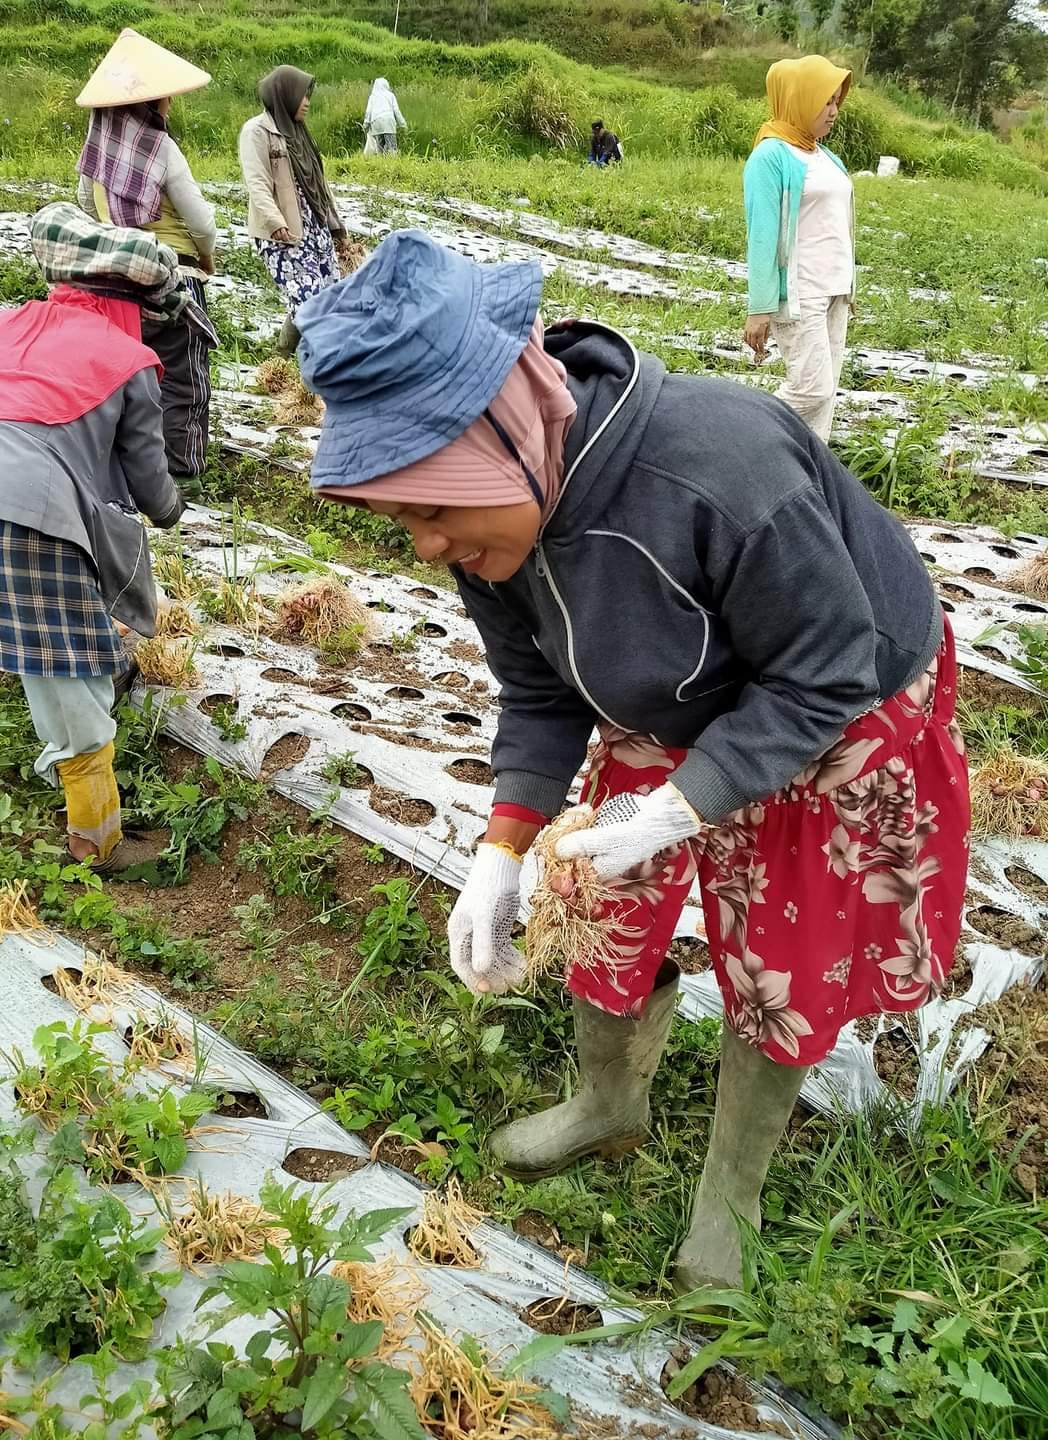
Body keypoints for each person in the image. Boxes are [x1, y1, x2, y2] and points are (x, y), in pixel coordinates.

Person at [297, 230, 969, 1291]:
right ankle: (611, 1103)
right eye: (399, 518)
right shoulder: (490, 528)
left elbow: (824, 670)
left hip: (837, 696)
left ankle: (729, 1196)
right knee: (600, 896)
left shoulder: (723, 471)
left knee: (779, 943)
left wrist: (684, 804)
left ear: (514, 437)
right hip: (668, 692)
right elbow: (539, 689)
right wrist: (504, 848)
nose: (424, 544)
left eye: (431, 508)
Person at [0, 204, 191, 874]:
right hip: (24, 516)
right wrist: (175, 509)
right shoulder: (129, 358)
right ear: (133, 303)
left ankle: (59, 774)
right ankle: (96, 842)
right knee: (69, 676)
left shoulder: (0, 325)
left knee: (51, 646)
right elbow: (151, 488)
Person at [76, 27, 218, 501]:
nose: (170, 106)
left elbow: (84, 203)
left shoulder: (96, 145)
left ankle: (125, 472)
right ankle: (180, 475)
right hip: (170, 276)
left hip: (116, 281)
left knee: (129, 377)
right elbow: (201, 221)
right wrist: (206, 256)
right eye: (165, 99)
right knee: (182, 371)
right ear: (149, 104)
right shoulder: (161, 149)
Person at [743, 56, 855, 443]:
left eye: (836, 102)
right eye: (826, 101)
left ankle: (809, 481)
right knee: (812, 389)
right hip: (800, 293)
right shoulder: (770, 157)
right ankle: (742, 439)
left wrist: (848, 285)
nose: (834, 111)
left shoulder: (824, 156)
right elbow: (761, 234)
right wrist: (759, 307)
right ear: (799, 99)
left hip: (835, 291)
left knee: (825, 402)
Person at [239, 66, 349, 359]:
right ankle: (298, 362)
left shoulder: (300, 134)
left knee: (326, 297)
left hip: (314, 226)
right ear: (284, 95)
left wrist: (337, 228)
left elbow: (319, 185)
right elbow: (258, 183)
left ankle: (287, 358)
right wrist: (275, 222)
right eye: (302, 95)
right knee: (308, 299)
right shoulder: (257, 132)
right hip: (283, 231)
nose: (307, 102)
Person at [363, 77, 407, 153]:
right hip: (388, 122)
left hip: (376, 122)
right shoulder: (391, 95)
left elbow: (368, 112)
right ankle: (392, 162)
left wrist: (365, 125)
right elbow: (396, 111)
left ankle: (381, 162)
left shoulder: (372, 96)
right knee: (392, 147)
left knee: (379, 148)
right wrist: (403, 124)